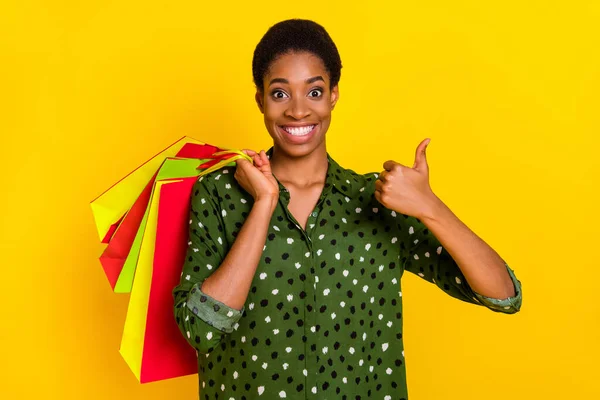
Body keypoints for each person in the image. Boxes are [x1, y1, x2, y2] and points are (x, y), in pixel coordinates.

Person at [172, 18, 522, 400]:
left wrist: (430, 206)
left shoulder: (379, 199)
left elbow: (504, 295)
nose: (298, 111)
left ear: (334, 95)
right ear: (260, 99)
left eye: (315, 92)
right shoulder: (219, 194)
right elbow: (201, 330)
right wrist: (265, 203)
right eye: (280, 94)